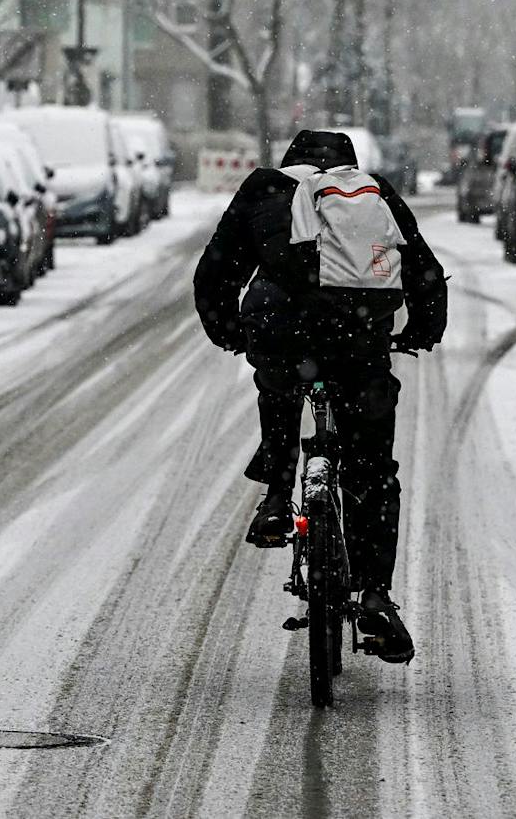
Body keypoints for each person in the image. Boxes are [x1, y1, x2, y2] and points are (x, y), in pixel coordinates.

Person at [193, 129, 446, 664]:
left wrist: (230, 333)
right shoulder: (373, 191)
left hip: (283, 330)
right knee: (374, 468)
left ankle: (278, 500)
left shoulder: (266, 189)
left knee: (280, 385)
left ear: (291, 162)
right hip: (359, 338)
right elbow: (423, 270)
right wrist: (420, 330)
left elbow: (215, 271)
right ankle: (374, 592)